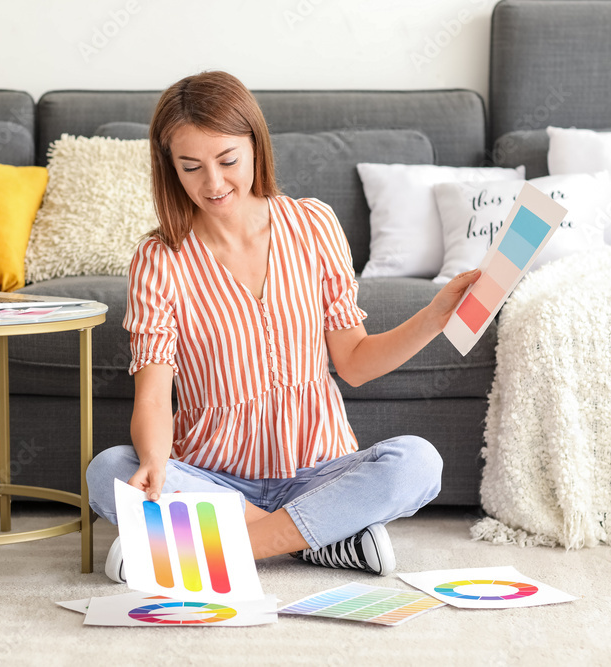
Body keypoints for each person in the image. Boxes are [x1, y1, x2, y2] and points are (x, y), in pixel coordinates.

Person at [86, 71, 481, 582]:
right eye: (191, 167)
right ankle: (321, 539)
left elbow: (355, 364)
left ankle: (208, 547)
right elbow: (155, 399)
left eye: (228, 160)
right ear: (171, 170)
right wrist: (156, 461)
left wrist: (436, 316)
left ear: (255, 144)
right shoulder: (159, 259)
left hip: (316, 475)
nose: (214, 183)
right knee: (108, 470)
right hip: (212, 476)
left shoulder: (314, 225)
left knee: (419, 462)